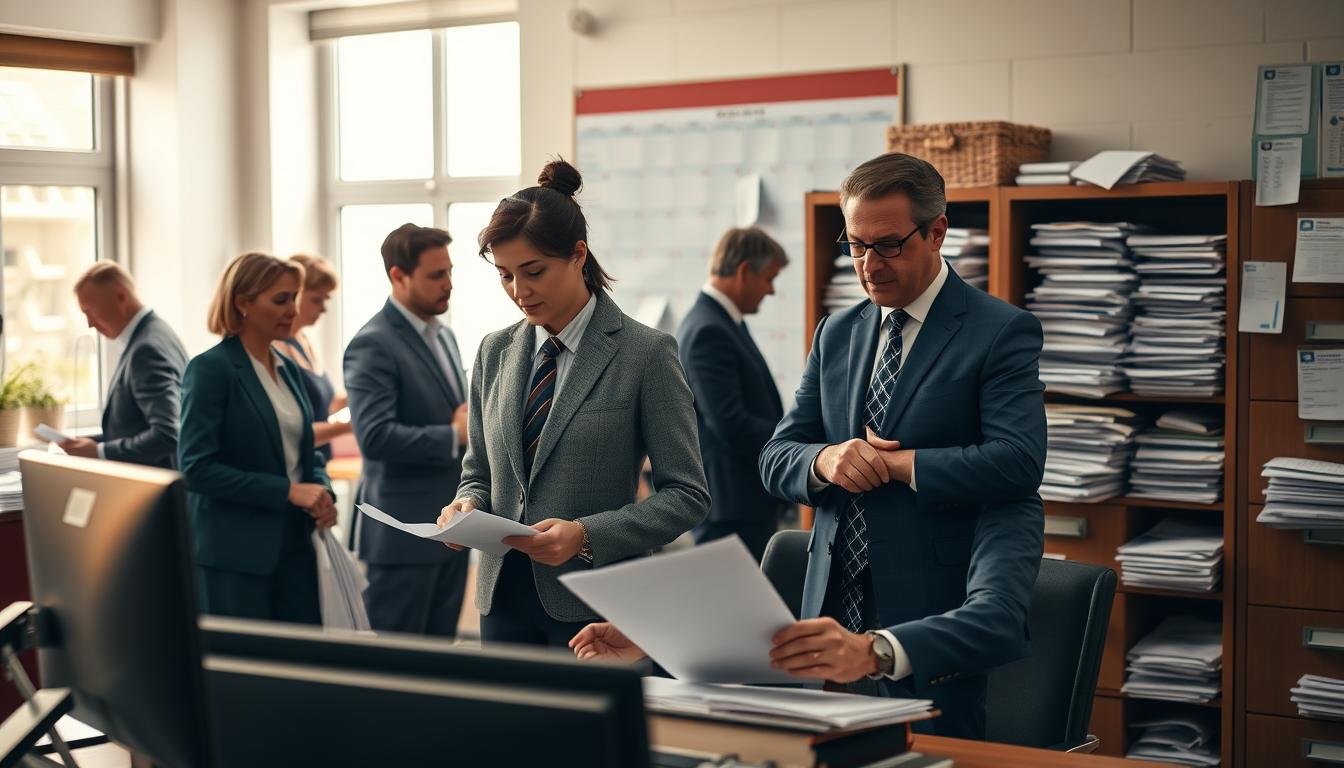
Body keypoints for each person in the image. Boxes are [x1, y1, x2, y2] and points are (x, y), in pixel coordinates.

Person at [573, 153, 1046, 740]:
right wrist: (826, 459)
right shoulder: (839, 331)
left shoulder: (998, 331)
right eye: (855, 245)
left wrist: (897, 465)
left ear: (938, 232)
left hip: (925, 628)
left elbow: (1019, 463)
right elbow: (777, 456)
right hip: (823, 625)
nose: (869, 266)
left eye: (889, 245)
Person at [438, 159, 709, 648]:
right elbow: (478, 470)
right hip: (501, 602)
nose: (519, 292)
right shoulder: (494, 351)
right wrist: (467, 505)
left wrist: (586, 535)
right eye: (504, 276)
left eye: (534, 271)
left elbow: (687, 496)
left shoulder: (645, 353)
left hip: (599, 609)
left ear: (578, 254)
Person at [179, 253, 336, 624]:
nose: (292, 310)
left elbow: (303, 450)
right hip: (236, 556)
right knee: (248, 672)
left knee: (299, 667)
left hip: (296, 545)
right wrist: (287, 490)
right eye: (280, 299)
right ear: (243, 303)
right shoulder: (210, 370)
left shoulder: (289, 370)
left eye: (294, 298)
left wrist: (321, 489)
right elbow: (197, 469)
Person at [344, 224, 470, 637]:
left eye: (450, 272)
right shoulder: (373, 343)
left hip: (450, 529)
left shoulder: (446, 336)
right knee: (394, 674)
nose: (448, 284)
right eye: (436, 275)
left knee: (438, 666)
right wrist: (453, 435)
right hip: (401, 536)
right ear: (398, 276)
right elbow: (374, 437)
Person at [677, 227, 788, 562]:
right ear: (743, 272)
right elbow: (729, 422)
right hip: (732, 508)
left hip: (742, 504)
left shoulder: (722, 321)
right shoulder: (709, 328)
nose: (770, 290)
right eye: (769, 278)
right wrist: (792, 444)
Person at [61, 261, 188, 468]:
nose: (90, 324)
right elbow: (136, 426)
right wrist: (92, 445)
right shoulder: (157, 332)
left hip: (157, 491)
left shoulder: (147, 350)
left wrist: (100, 452)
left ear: (121, 297)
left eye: (90, 311)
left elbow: (167, 434)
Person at [278, 254, 351, 462]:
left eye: (326, 299)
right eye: (317, 299)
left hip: (318, 463)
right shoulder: (277, 350)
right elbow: (292, 432)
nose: (323, 308)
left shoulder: (305, 341)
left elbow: (325, 403)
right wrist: (349, 427)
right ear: (296, 295)